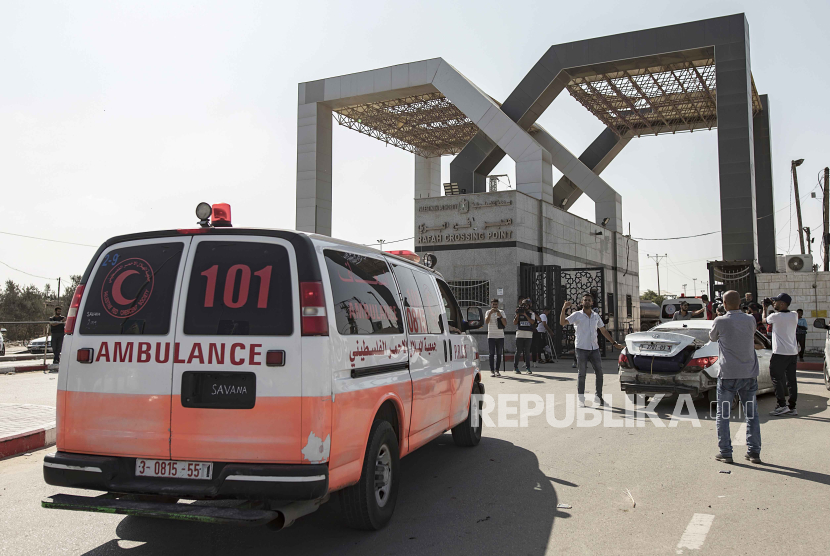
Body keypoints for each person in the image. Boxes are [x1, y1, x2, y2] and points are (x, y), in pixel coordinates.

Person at [709, 290, 762, 464]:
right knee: (751, 414)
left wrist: (720, 316)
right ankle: (754, 452)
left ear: (724, 304)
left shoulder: (720, 321)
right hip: (748, 373)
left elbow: (712, 337)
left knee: (723, 415)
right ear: (740, 302)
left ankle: (726, 452)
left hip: (728, 374)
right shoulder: (750, 319)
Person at [560, 293, 623, 407]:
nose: (587, 302)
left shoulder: (596, 316)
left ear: (592, 302)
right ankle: (581, 399)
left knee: (599, 373)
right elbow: (562, 323)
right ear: (582, 302)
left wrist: (613, 343)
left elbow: (603, 330)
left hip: (594, 349)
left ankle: (598, 397)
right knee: (582, 374)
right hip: (581, 349)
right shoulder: (577, 315)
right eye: (585, 300)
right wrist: (564, 308)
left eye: (589, 300)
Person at [764, 293, 799, 416]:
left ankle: (781, 405)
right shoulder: (794, 315)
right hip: (792, 353)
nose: (774, 304)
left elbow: (764, 320)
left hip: (779, 353)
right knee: (791, 380)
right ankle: (792, 407)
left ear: (783, 304)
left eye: (776, 302)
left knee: (776, 378)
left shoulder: (775, 316)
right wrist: (772, 304)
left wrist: (765, 308)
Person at [513, 298, 537, 375]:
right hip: (520, 333)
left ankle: (528, 368)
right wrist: (518, 315)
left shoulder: (531, 313)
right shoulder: (518, 312)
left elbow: (532, 322)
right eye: (524, 305)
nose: (525, 306)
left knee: (527, 352)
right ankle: (515, 367)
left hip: (528, 334)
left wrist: (525, 315)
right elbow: (515, 322)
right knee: (518, 351)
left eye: (527, 305)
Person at [485, 299, 507, 377]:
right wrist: (490, 314)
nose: (495, 306)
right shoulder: (488, 312)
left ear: (498, 305)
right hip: (491, 335)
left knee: (499, 354)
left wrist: (500, 316)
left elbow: (505, 324)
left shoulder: (501, 312)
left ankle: (497, 370)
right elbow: (486, 322)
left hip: (500, 336)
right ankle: (492, 370)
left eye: (496, 305)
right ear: (491, 305)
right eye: (493, 304)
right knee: (491, 354)